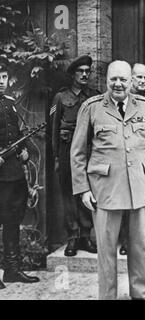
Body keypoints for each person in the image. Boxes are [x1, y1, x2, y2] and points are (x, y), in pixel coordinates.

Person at [70, 60, 145, 300]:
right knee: (106, 251)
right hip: (105, 189)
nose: (118, 84)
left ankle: (142, 294)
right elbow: (77, 152)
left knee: (140, 247)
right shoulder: (92, 107)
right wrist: (83, 189)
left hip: (138, 186)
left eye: (123, 79)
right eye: (113, 79)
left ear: (131, 82)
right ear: (106, 80)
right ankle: (107, 296)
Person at [51, 55, 98, 257]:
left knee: (86, 193)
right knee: (69, 195)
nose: (85, 74)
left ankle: (86, 236)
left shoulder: (94, 97)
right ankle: (72, 237)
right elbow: (54, 130)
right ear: (73, 74)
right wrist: (56, 158)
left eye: (88, 71)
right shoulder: (61, 98)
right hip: (66, 151)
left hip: (89, 152)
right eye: (81, 71)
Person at [0, 62, 40, 288]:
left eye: (4, 76)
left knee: (12, 220)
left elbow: (19, 133)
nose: (0, 80)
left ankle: (12, 270)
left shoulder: (10, 103)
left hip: (13, 172)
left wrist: (24, 152)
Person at [119, 63, 145, 255]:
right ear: (130, 78)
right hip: (124, 159)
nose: (142, 81)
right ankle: (127, 241)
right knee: (127, 201)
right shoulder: (119, 100)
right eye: (138, 77)